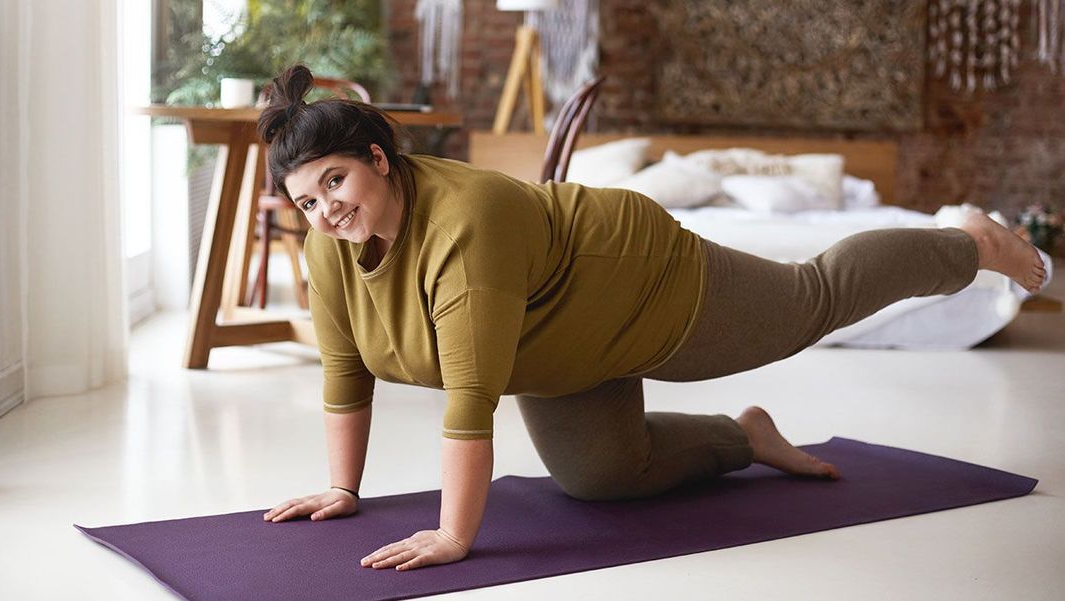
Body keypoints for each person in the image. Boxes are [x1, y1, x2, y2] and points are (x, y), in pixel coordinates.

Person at [259, 65, 1048, 572]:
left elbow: (471, 399)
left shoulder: (468, 220)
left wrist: (455, 536)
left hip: (640, 282)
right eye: (308, 200)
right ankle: (749, 438)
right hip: (553, 344)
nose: (327, 209)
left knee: (811, 301)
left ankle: (964, 244)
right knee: (602, 477)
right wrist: (341, 487)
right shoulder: (332, 243)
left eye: (337, 181)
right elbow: (345, 369)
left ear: (378, 159)